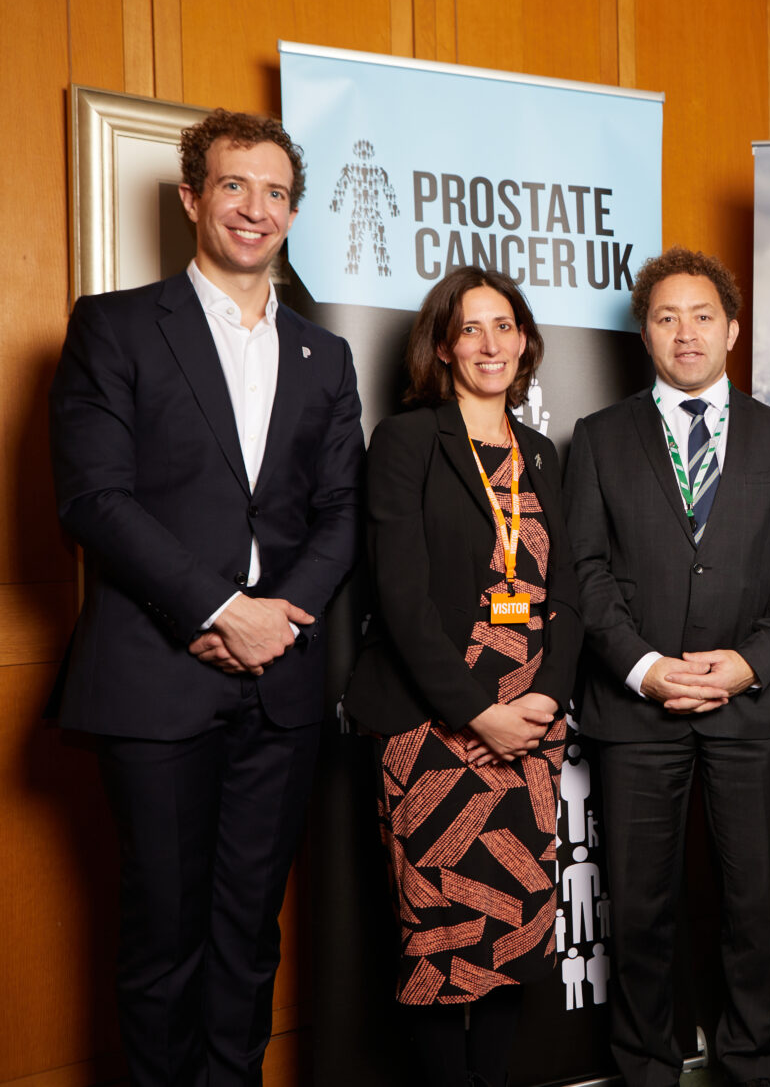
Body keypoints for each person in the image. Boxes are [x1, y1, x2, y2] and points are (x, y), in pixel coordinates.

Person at [47, 108, 363, 1085]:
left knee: (246, 933)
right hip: (155, 681)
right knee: (161, 936)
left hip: (281, 690)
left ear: (292, 212)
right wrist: (223, 613)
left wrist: (276, 623)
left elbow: (341, 512)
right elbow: (94, 499)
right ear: (193, 197)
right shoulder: (116, 326)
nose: (254, 207)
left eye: (274, 191)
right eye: (234, 185)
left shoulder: (325, 354)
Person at [562, 248, 770, 1087]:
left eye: (702, 315)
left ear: (732, 329)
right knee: (638, 909)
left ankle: (748, 1067)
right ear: (645, 333)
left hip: (750, 709)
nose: (686, 331)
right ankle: (645, 1069)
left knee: (749, 909)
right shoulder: (597, 438)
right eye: (666, 317)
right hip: (636, 711)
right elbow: (583, 574)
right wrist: (647, 667)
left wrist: (749, 664)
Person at [342, 265, 583, 1087]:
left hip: (532, 736)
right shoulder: (409, 441)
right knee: (442, 942)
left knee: (512, 942)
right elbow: (400, 599)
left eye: (505, 326)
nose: (491, 343)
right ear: (444, 345)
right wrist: (481, 713)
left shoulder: (545, 454)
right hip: (435, 732)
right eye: (472, 328)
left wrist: (544, 700)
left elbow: (571, 597)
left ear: (525, 342)